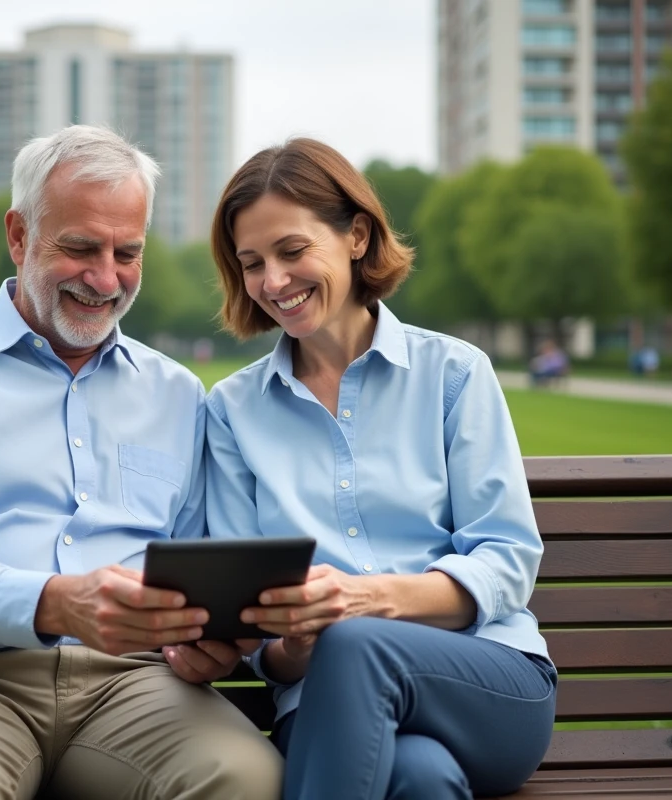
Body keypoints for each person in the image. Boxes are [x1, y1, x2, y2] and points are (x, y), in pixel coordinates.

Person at [0, 125, 282, 800]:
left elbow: (204, 562)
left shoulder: (177, 393)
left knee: (244, 778)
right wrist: (57, 603)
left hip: (137, 683)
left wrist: (212, 639)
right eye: (81, 247)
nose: (105, 277)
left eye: (127, 252)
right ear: (20, 236)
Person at [198, 138, 557, 800]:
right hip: (318, 701)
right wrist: (298, 645)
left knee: (356, 644)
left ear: (357, 235)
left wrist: (363, 603)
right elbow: (255, 638)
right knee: (420, 779)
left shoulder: (454, 373)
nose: (273, 281)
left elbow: (506, 559)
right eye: (252, 264)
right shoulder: (231, 412)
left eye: (292, 251)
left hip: (489, 683)